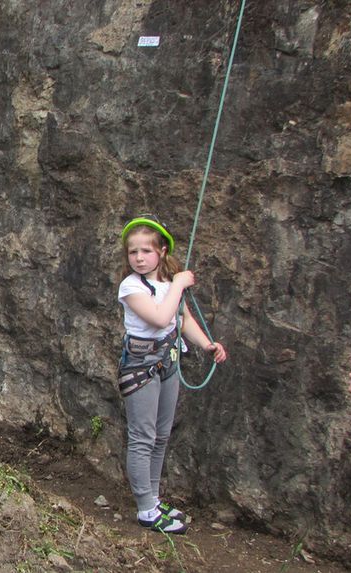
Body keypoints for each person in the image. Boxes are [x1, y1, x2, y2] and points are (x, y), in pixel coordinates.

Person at [116, 215, 228, 534]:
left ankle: (152, 498)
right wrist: (179, 284)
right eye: (133, 252)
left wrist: (207, 345)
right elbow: (159, 317)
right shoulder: (130, 287)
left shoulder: (167, 284)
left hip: (169, 361)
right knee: (143, 436)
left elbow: (182, 318)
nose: (139, 257)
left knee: (161, 435)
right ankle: (145, 509)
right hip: (140, 366)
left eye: (146, 251)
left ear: (161, 252)